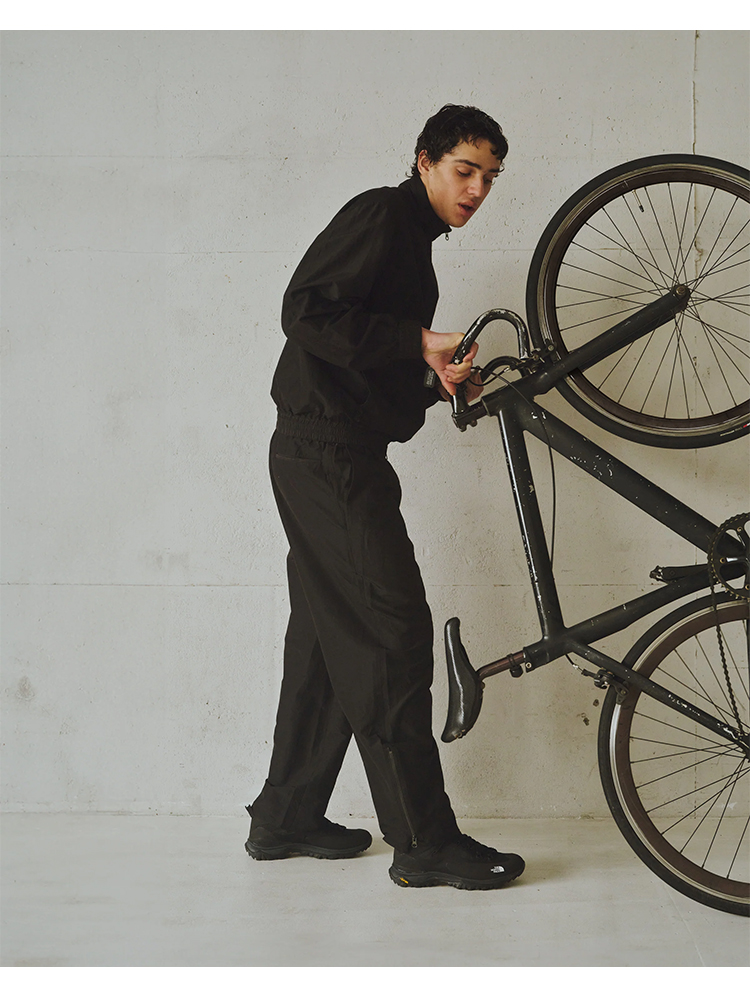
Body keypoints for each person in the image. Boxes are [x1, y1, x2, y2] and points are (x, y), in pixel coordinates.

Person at [246, 105, 525, 891]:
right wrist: (415, 342)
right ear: (424, 161)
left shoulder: (414, 250)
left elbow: (364, 360)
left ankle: (286, 816)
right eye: (465, 171)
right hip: (327, 455)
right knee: (390, 634)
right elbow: (306, 310)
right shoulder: (381, 216)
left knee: (328, 641)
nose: (477, 191)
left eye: (490, 178)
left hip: (336, 452)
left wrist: (436, 378)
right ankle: (424, 841)